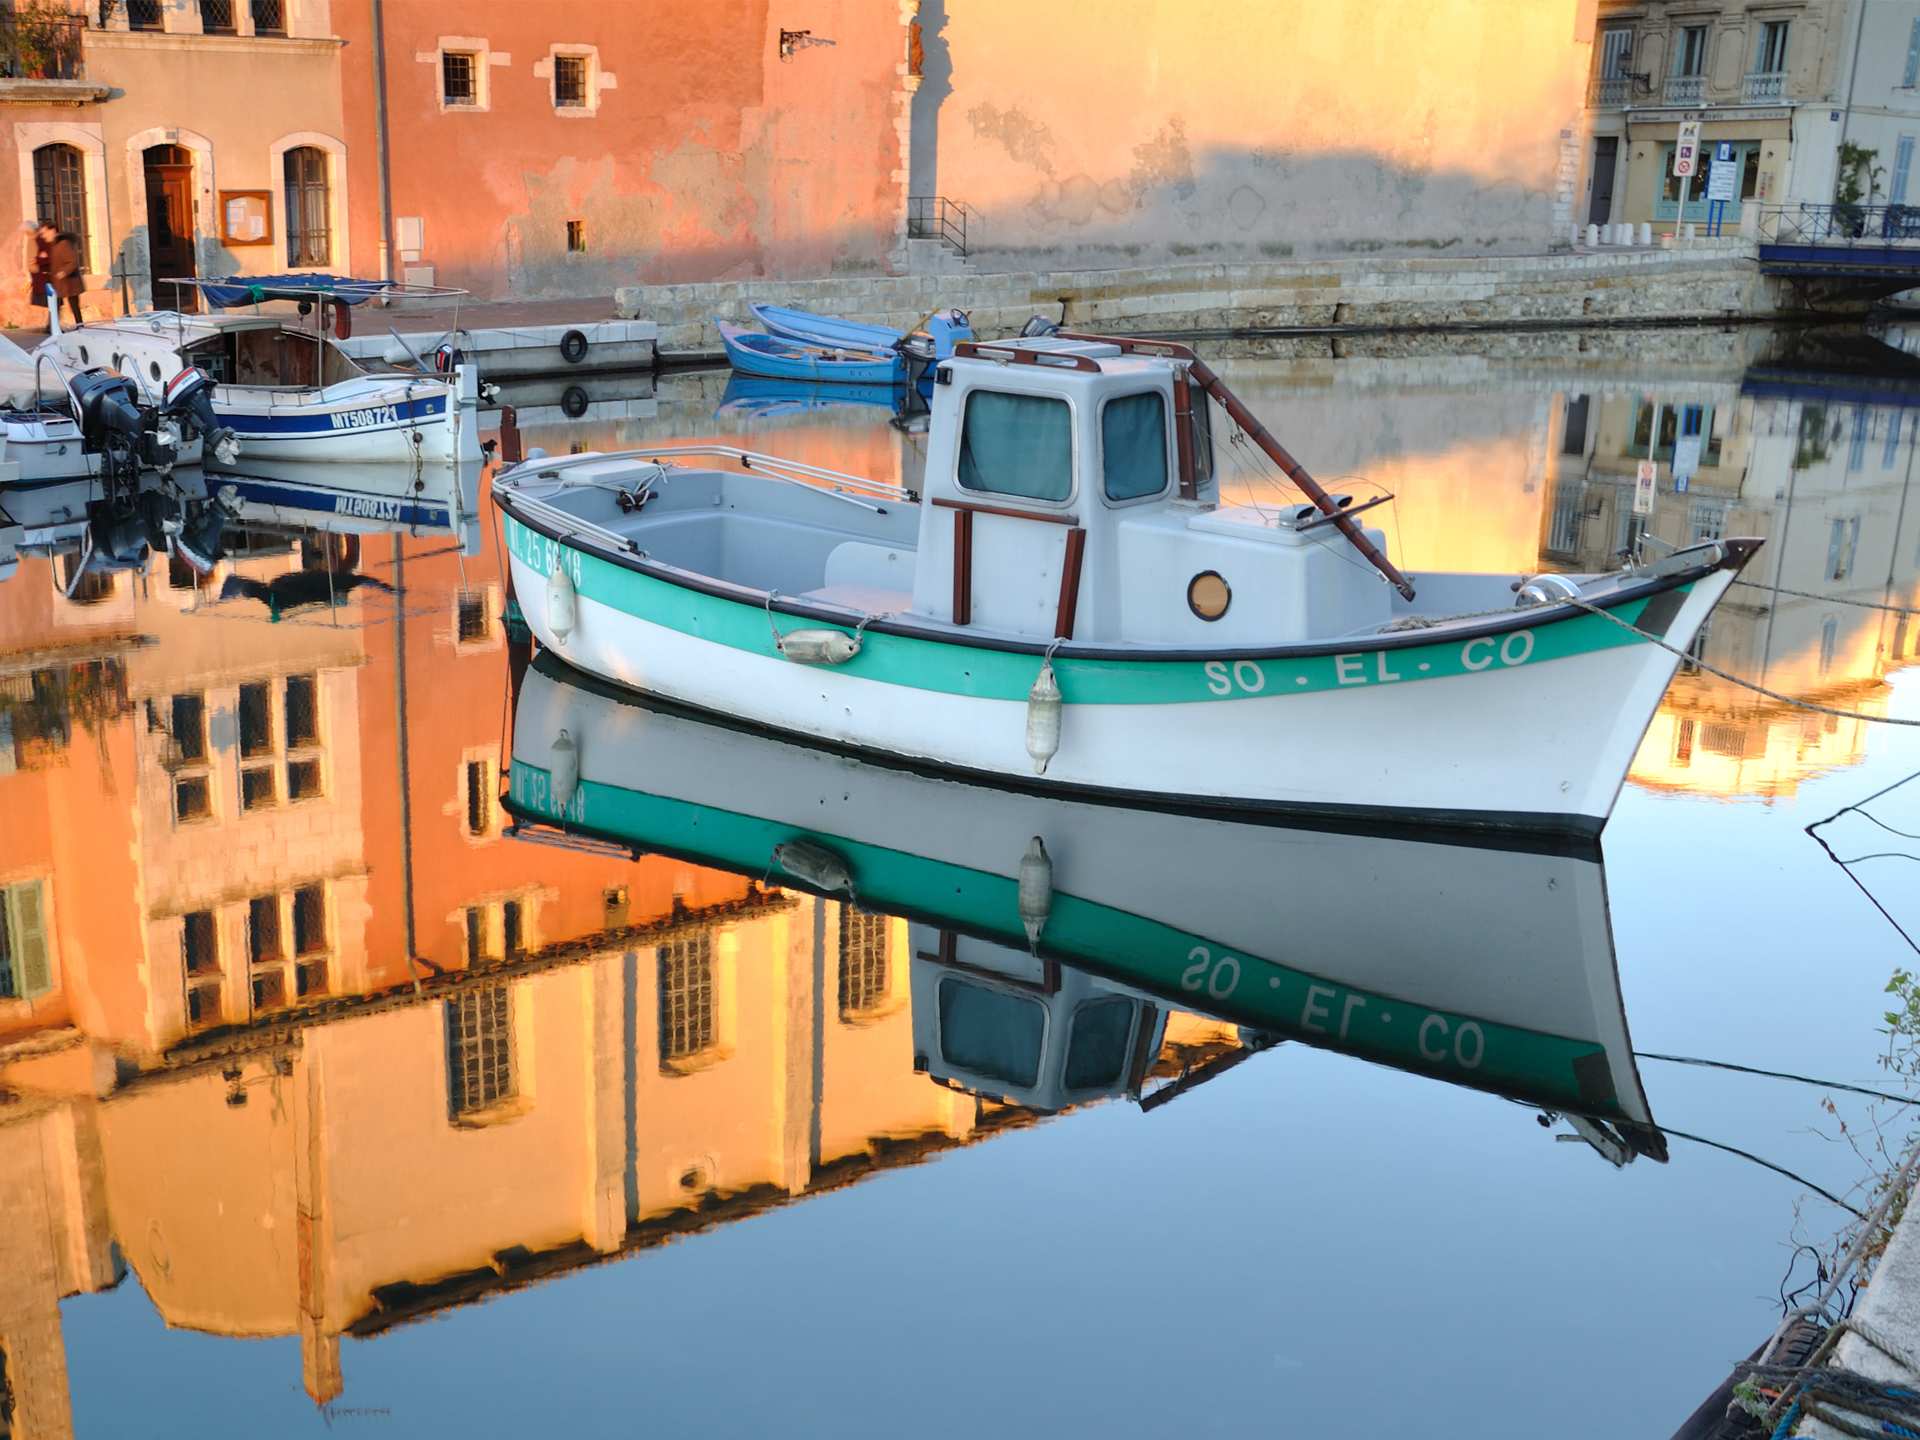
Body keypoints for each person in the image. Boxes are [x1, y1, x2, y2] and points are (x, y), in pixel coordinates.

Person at [48, 226, 83, 326]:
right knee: (58, 303)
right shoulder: (54, 245)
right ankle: (52, 326)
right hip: (60, 281)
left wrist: (63, 272)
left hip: (69, 280)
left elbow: (72, 261)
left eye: (45, 232)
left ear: (53, 231)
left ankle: (79, 325)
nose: (44, 236)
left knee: (73, 304)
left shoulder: (63, 244)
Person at [26, 220, 52, 323]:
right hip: (38, 277)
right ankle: (50, 325)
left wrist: (37, 260)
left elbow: (47, 256)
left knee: (51, 301)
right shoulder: (32, 240)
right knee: (49, 302)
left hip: (44, 276)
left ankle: (51, 325)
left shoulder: (40, 240)